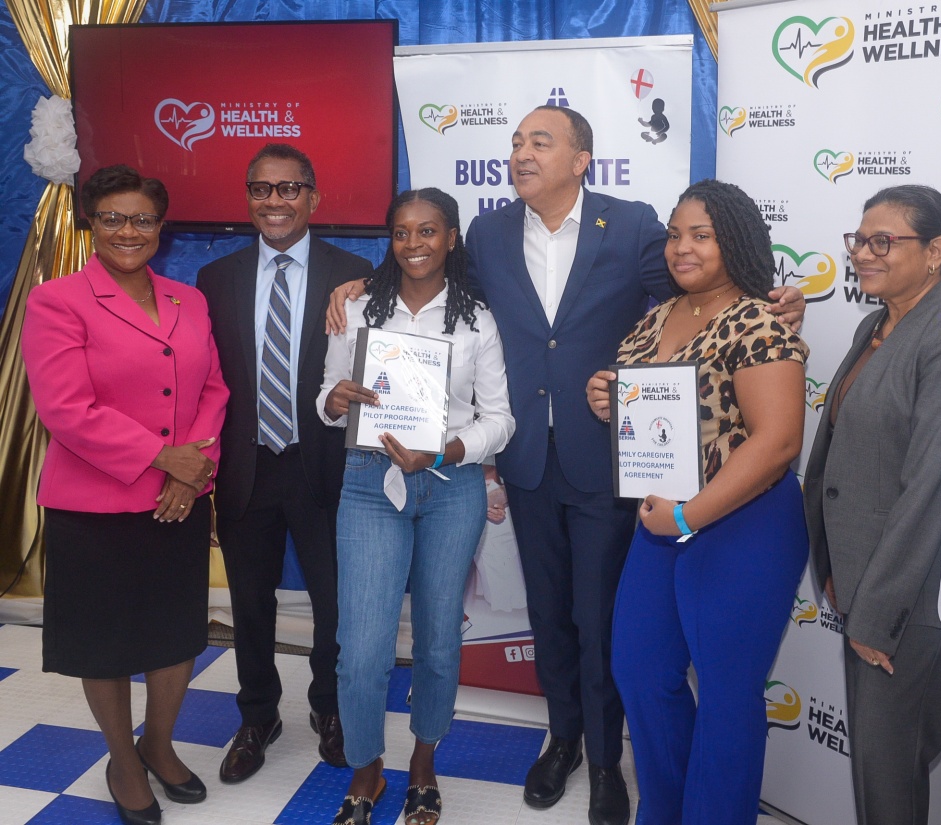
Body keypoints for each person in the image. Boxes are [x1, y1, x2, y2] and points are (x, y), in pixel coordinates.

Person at [326, 105, 804, 825]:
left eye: (539, 142)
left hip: (611, 460)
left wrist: (777, 293)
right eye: (515, 142)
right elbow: (425, 263)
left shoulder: (636, 222)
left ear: (582, 158)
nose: (521, 152)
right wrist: (362, 284)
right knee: (550, 616)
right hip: (524, 457)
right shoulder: (485, 231)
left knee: (603, 619)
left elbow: (700, 277)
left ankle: (610, 763)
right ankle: (564, 738)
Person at [585, 179, 809, 825]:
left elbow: (777, 440)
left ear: (734, 242)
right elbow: (652, 418)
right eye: (675, 234)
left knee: (728, 695)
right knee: (641, 674)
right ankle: (669, 811)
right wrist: (609, 397)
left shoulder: (759, 318)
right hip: (663, 523)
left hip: (742, 524)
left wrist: (689, 514)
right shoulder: (655, 316)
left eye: (701, 235)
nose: (682, 247)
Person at [21, 164, 228, 825]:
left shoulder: (188, 299)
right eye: (112, 218)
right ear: (91, 223)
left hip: (179, 499)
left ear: (161, 228)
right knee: (104, 642)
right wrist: (161, 458)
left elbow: (214, 392)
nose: (128, 230)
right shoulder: (57, 301)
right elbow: (66, 409)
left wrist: (189, 471)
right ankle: (123, 758)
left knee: (174, 635)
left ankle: (160, 745)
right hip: (94, 508)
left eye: (141, 218)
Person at [804, 184, 941, 825]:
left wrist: (876, 614)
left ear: (936, 250)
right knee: (877, 772)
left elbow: (930, 489)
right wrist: (837, 567)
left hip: (908, 607)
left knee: (890, 781)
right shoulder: (879, 323)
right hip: (864, 585)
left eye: (882, 241)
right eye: (859, 240)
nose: (863, 252)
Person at [317, 189, 514, 825]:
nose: (415, 244)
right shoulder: (354, 307)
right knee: (364, 647)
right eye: (402, 233)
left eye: (429, 231)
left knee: (436, 642)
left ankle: (424, 763)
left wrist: (452, 448)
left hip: (450, 485)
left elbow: (502, 420)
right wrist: (336, 399)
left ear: (451, 237)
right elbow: (326, 395)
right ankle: (368, 769)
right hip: (369, 481)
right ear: (390, 240)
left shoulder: (476, 319)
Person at [196, 143, 373, 783]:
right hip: (246, 469)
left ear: (314, 197)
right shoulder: (215, 281)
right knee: (249, 603)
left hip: (325, 468)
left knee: (335, 602)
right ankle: (258, 714)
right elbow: (207, 381)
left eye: (289, 188)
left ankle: (329, 708)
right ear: (249, 198)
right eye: (262, 189)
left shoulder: (356, 274)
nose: (275, 201)